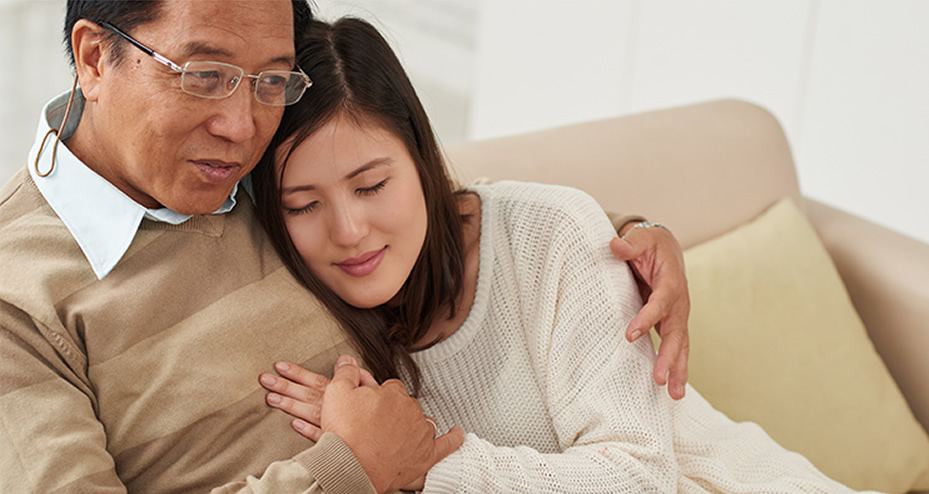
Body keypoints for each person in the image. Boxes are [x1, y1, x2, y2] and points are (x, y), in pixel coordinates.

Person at [0, 1, 692, 492]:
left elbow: (404, 197)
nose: (241, 127)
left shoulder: (245, 178)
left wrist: (626, 238)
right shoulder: (18, 294)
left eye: (269, 81)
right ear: (95, 57)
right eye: (204, 74)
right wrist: (351, 467)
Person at [254, 17, 872, 493]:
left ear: (420, 158)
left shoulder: (547, 234)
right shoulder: (313, 321)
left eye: (372, 185)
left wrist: (428, 467)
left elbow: (640, 477)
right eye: (303, 204)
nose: (350, 230)